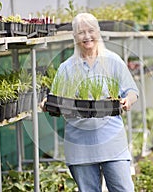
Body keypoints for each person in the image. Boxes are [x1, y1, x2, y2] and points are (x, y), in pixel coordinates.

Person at [41, 13, 139, 192]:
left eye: (91, 31)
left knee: (123, 188)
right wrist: (47, 103)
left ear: (98, 32)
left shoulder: (113, 61)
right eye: (81, 32)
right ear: (74, 37)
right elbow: (55, 98)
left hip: (112, 141)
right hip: (80, 146)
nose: (87, 36)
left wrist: (127, 100)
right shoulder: (66, 68)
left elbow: (132, 91)